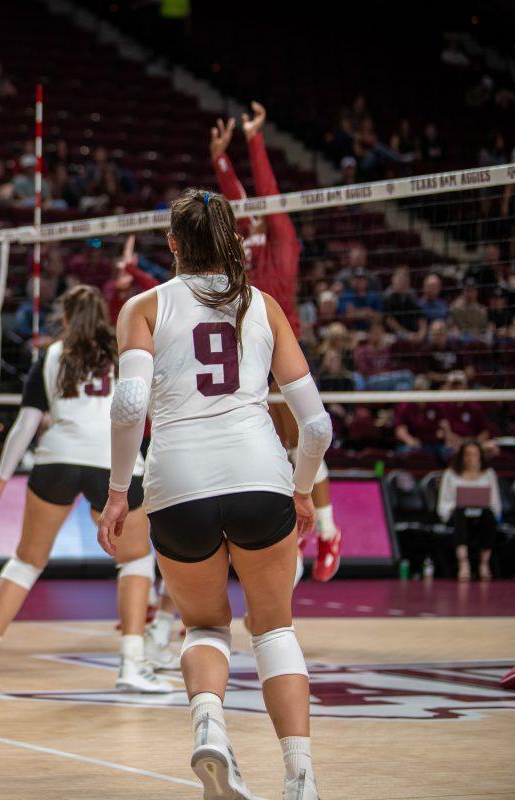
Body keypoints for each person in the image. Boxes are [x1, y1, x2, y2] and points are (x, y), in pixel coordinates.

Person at [97, 188, 331, 800]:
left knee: (203, 626)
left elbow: (128, 404)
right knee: (275, 630)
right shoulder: (265, 306)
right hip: (259, 474)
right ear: (230, 240)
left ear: (173, 244)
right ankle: (300, 777)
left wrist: (120, 492)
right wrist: (302, 490)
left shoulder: (144, 306)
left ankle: (210, 727)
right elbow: (317, 426)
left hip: (178, 483)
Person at [0, 285, 172, 694]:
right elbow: (150, 410)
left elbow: (24, 426)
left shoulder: (50, 356)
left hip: (56, 458)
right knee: (135, 561)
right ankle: (132, 662)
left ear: (67, 317)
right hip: (114, 461)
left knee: (25, 561)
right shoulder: (126, 353)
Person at [210, 103, 342, 583]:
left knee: (304, 437)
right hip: (247, 352)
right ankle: (292, 536)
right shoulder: (245, 236)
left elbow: (265, 194)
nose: (250, 214)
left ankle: (327, 531)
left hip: (281, 347)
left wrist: (254, 140)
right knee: (275, 448)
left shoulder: (282, 237)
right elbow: (237, 200)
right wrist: (221, 160)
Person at [437, 441, 502, 583]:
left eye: (475, 454)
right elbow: (443, 504)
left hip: (481, 516)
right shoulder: (450, 474)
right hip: (457, 516)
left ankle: (484, 563)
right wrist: (454, 506)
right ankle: (463, 562)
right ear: (461, 456)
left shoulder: (489, 473)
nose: (471, 458)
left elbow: (495, 503)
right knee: (461, 511)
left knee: (488, 514)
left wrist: (492, 511)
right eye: (468, 454)